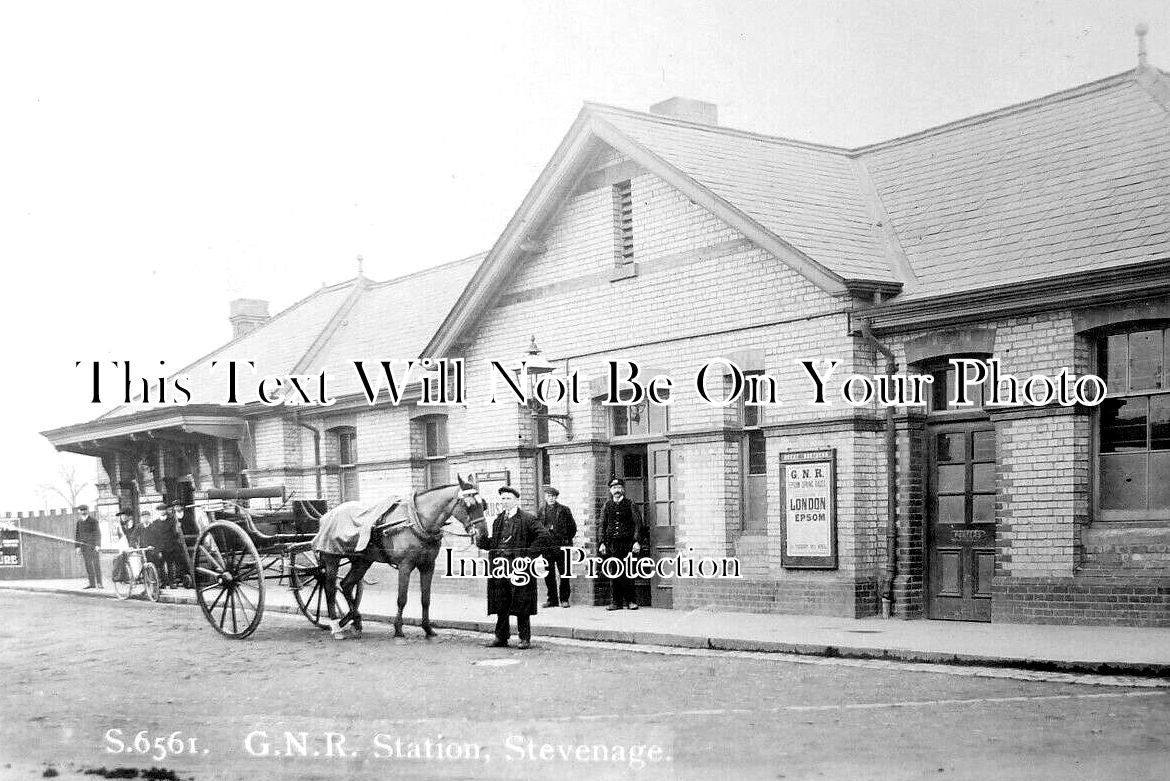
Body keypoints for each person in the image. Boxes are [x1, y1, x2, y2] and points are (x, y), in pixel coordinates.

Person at [476, 485, 553, 649]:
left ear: (516, 500)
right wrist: (480, 540)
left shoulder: (527, 519)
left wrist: (528, 555)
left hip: (520, 568)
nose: (505, 502)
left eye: (508, 498)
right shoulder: (498, 520)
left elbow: (544, 536)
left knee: (522, 602)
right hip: (500, 567)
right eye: (503, 499)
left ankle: (524, 638)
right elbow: (493, 544)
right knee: (501, 602)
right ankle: (501, 637)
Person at [599, 478, 648, 611]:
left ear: (623, 490)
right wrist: (602, 542)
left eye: (619, 488)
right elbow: (602, 525)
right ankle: (616, 602)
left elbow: (638, 524)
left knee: (628, 572)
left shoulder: (630, 504)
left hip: (628, 544)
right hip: (613, 545)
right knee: (614, 573)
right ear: (610, 490)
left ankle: (631, 601)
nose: (617, 491)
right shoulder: (607, 506)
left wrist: (637, 541)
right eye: (614, 488)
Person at [537, 485, 576, 608]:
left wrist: (565, 539)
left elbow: (573, 528)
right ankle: (552, 599)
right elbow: (537, 528)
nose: (551, 498)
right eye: (549, 496)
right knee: (549, 574)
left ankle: (564, 599)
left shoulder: (564, 510)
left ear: (556, 497)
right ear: (545, 497)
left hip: (562, 547)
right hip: (547, 547)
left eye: (553, 496)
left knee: (564, 573)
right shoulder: (541, 511)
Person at [162, 501, 192, 588]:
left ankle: (188, 574)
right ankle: (180, 577)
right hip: (177, 542)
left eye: (178, 506)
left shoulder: (188, 516)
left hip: (188, 539)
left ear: (182, 507)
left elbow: (193, 526)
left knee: (188, 558)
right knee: (179, 560)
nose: (177, 508)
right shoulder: (172, 518)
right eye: (175, 507)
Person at [73, 504, 103, 589]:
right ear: (79, 511)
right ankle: (92, 584)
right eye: (81, 510)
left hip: (93, 547)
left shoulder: (93, 521)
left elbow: (98, 533)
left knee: (96, 565)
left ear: (87, 510)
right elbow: (77, 534)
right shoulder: (79, 522)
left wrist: (98, 545)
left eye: (84, 510)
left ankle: (99, 583)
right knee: (88, 565)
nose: (83, 511)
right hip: (84, 547)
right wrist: (77, 547)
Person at [111, 510, 145, 583]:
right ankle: (124, 577)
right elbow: (121, 538)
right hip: (125, 545)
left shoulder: (135, 525)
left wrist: (133, 545)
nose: (122, 517)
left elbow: (136, 536)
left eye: (124, 516)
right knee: (123, 560)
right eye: (122, 516)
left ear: (130, 517)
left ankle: (138, 577)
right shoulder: (121, 526)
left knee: (136, 561)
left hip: (134, 545)